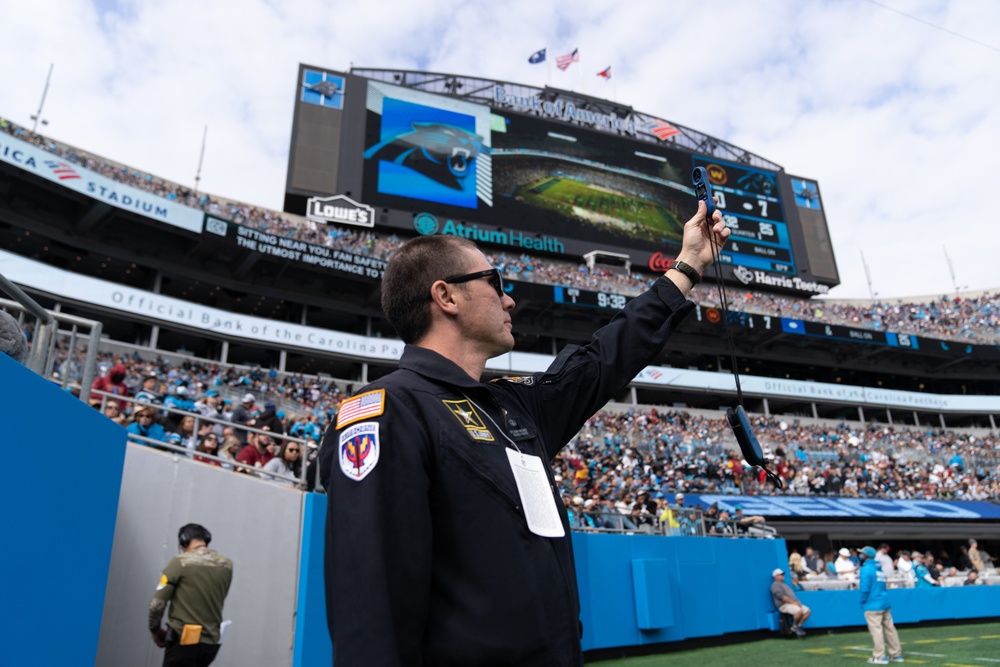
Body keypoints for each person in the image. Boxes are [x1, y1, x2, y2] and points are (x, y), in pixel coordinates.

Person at [318, 201, 729, 666]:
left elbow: (602, 359)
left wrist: (688, 265)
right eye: (494, 284)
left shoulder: (512, 405)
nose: (509, 299)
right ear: (446, 297)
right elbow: (371, 607)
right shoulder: (388, 412)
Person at [148, 524, 233, 667]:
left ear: (184, 541)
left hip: (184, 642)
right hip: (210, 645)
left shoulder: (180, 562)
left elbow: (156, 604)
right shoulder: (226, 565)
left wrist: (155, 630)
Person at [858, 545, 903, 664]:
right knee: (890, 629)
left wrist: (862, 600)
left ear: (866, 556)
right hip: (884, 602)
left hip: (872, 604)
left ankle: (879, 656)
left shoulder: (866, 569)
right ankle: (896, 654)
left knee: (876, 630)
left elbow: (865, 588)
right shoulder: (879, 569)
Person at [770, 568, 810, 637]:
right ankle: (795, 627)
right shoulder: (775, 585)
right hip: (784, 605)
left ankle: (797, 626)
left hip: (792, 604)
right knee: (799, 611)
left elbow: (791, 595)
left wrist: (797, 602)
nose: (782, 576)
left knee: (807, 611)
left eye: (782, 574)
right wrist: (793, 603)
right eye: (780, 574)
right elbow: (782, 597)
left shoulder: (784, 584)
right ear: (775, 576)